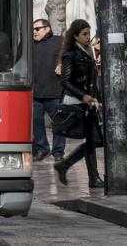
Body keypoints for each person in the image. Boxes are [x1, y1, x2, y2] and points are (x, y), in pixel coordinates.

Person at [55, 19, 104, 189]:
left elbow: (92, 80)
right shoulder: (71, 54)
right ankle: (93, 178)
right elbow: (65, 81)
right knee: (93, 139)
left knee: (95, 140)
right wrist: (83, 96)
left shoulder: (87, 52)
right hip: (77, 103)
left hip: (88, 103)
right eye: (84, 34)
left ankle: (66, 166)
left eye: (88, 33)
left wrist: (96, 99)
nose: (87, 37)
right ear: (75, 35)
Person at [31, 18, 66, 162]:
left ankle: (58, 151)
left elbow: (69, 55)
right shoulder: (30, 44)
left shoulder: (59, 41)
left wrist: (62, 64)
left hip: (54, 91)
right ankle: (42, 149)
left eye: (37, 29)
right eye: (33, 29)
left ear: (47, 28)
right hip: (36, 92)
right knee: (36, 121)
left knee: (58, 122)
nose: (34, 32)